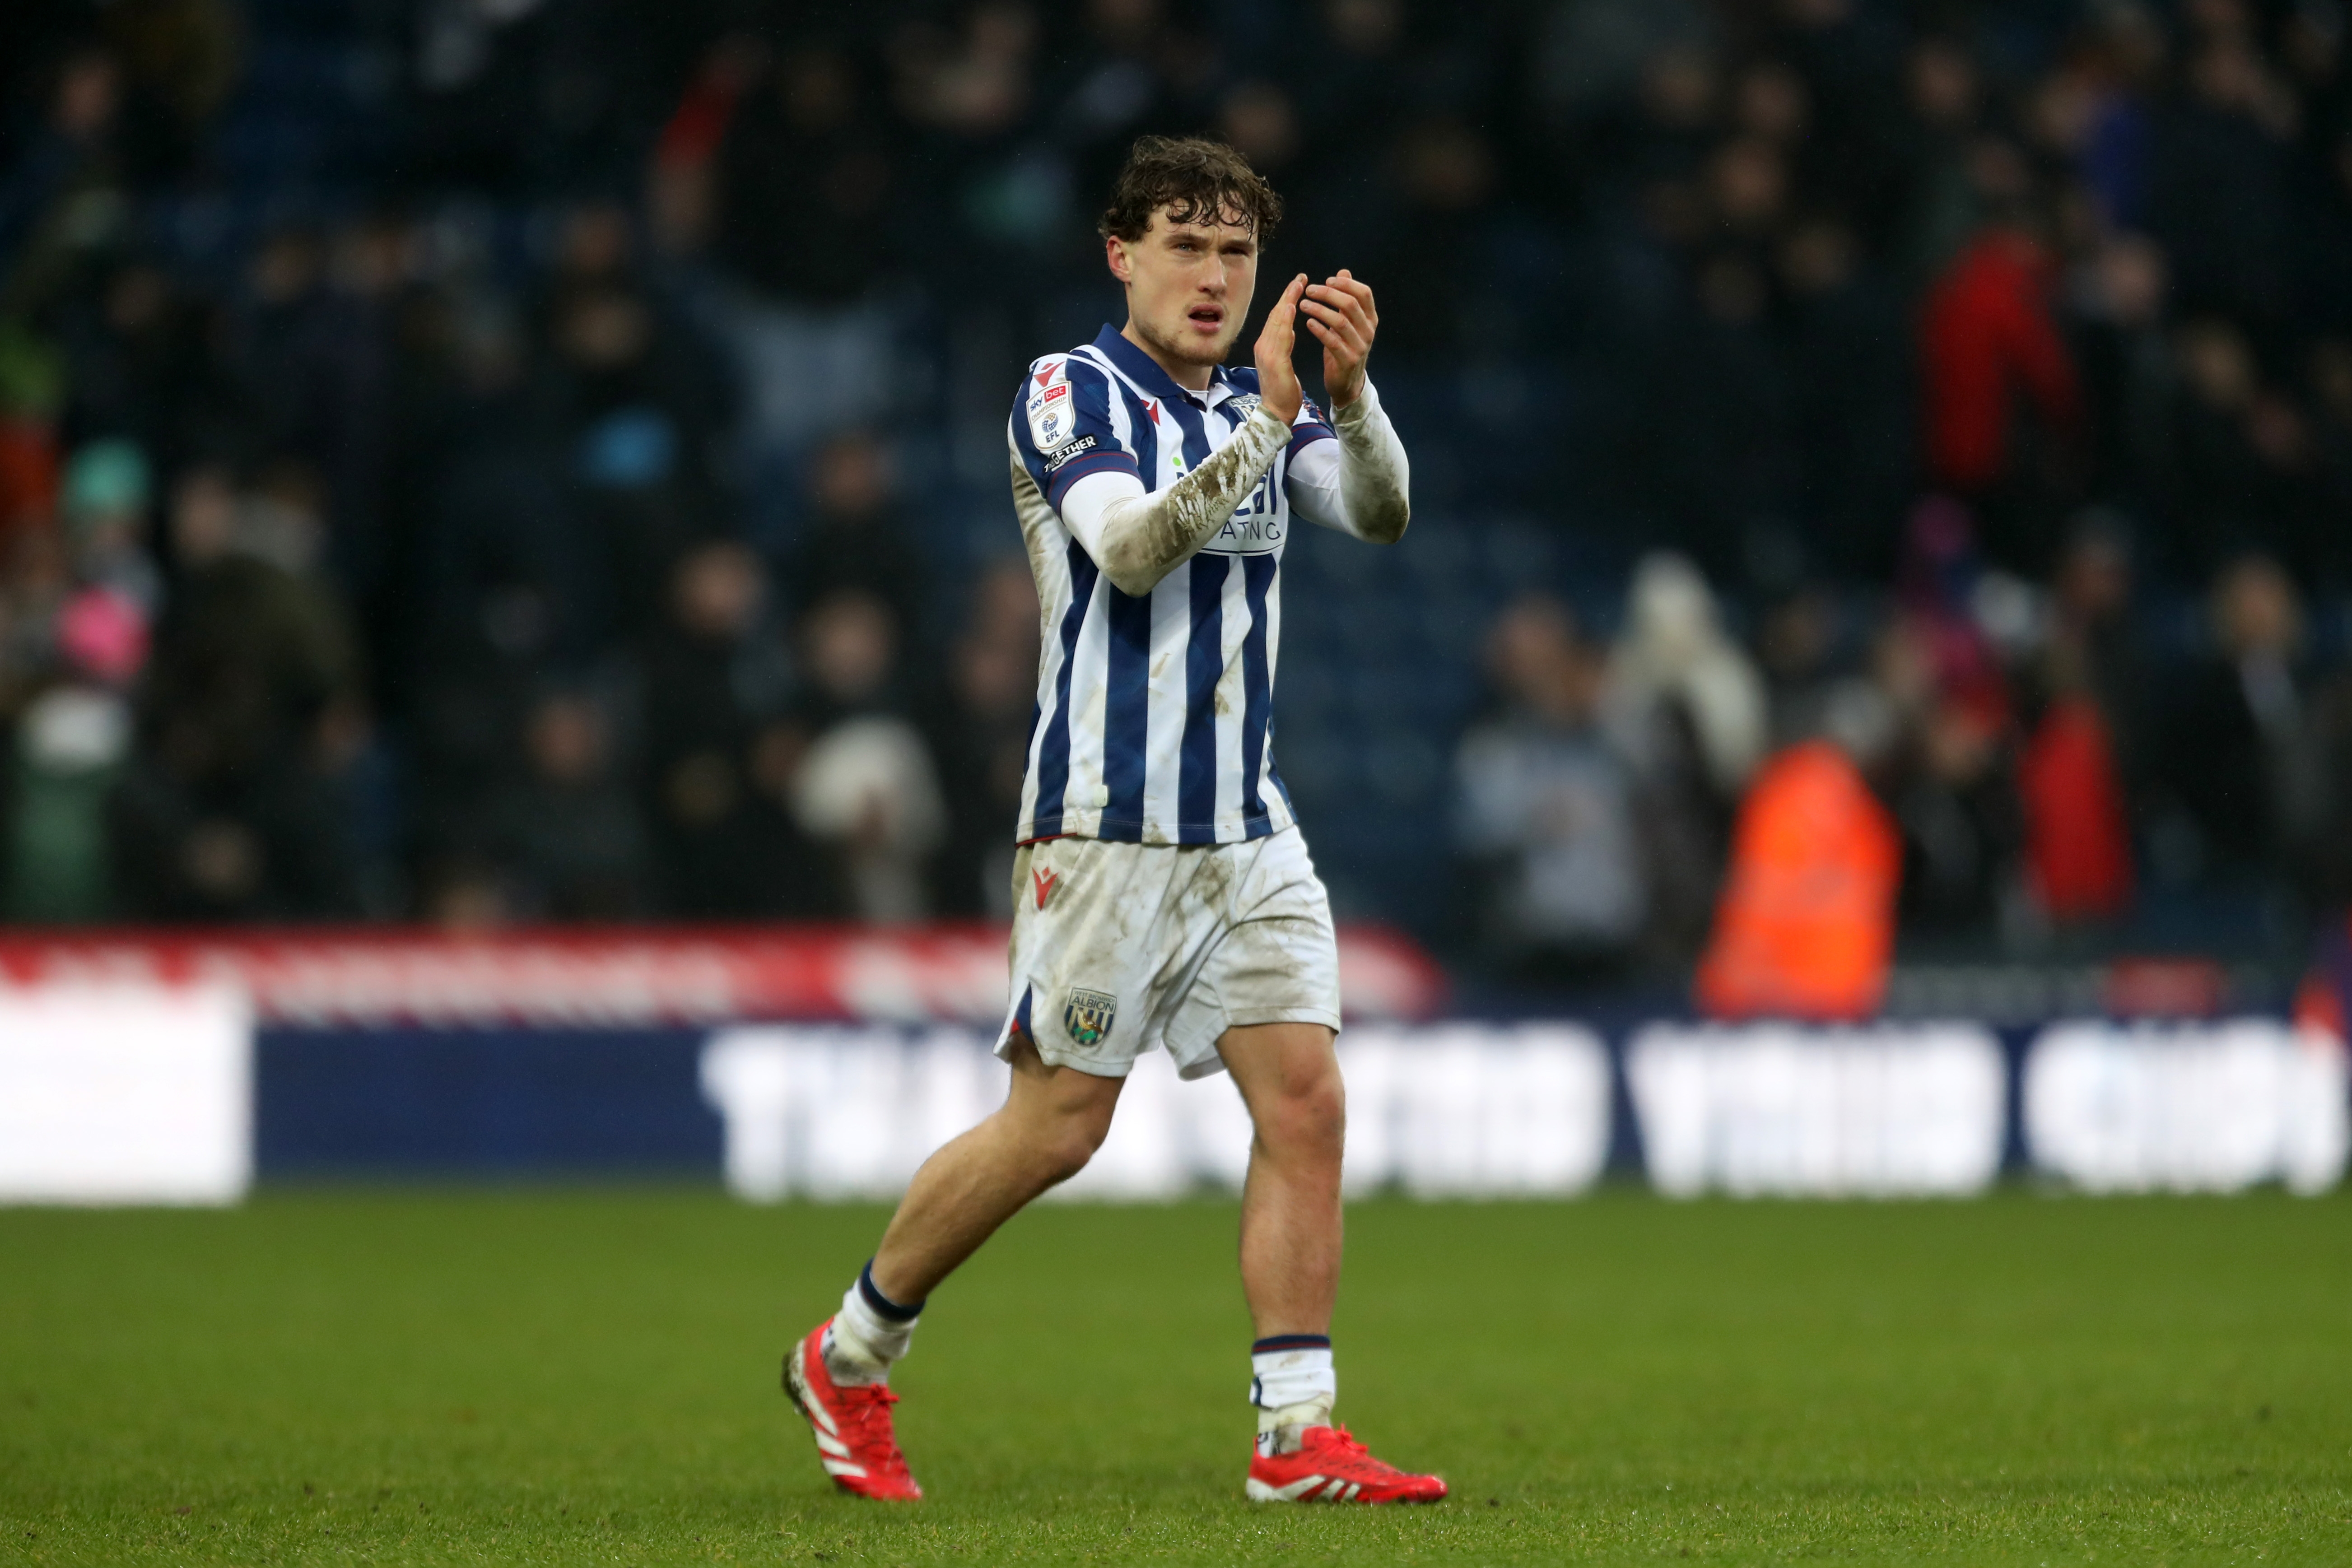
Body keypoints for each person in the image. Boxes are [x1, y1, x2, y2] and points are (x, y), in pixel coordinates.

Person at [780, 135, 1444, 1506]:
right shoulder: (1065, 390)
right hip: (1103, 824)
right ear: (1120, 254)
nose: (1212, 277)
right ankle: (849, 1352)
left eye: (1236, 253)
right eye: (1185, 246)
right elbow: (1130, 547)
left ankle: (1293, 1433)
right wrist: (1269, 421)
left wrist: (1349, 392)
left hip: (1246, 830)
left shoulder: (1270, 401)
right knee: (1059, 1127)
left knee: (1306, 1099)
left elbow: (1377, 516)